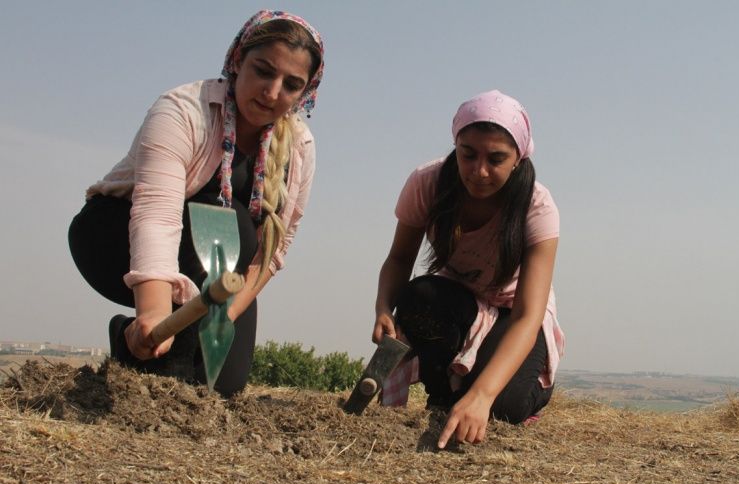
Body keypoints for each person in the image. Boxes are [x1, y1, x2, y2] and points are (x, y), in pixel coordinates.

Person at [68, 10, 324, 398]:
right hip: (115, 238)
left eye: (291, 84)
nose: (272, 92)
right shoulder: (183, 110)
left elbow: (272, 251)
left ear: (304, 93)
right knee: (231, 221)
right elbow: (156, 212)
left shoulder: (300, 147)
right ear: (238, 61)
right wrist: (153, 311)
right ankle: (148, 338)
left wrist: (224, 314)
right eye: (263, 70)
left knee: (220, 387)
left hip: (218, 268)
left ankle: (127, 341)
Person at [372, 90, 565, 447]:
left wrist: (484, 395)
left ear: (518, 160)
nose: (479, 171)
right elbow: (399, 259)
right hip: (457, 297)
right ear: (455, 147)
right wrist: (384, 308)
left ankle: (536, 389)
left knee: (503, 407)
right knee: (418, 297)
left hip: (513, 310)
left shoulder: (537, 208)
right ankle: (443, 393)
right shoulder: (427, 184)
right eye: (468, 154)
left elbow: (527, 315)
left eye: (496, 159)